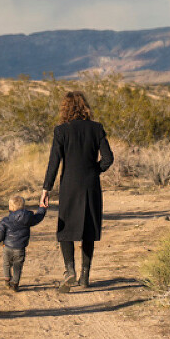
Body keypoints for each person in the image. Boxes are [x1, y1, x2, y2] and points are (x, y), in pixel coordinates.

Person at [43, 90, 114, 292]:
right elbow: (108, 159)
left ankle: (69, 271)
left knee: (66, 229)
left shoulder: (61, 131)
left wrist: (46, 188)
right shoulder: (97, 128)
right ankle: (85, 277)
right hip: (91, 184)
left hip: (69, 185)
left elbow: (54, 162)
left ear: (65, 108)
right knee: (89, 229)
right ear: (85, 107)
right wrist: (94, 171)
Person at [0, 190, 49, 292]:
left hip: (7, 247)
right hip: (20, 248)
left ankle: (7, 279)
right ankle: (15, 283)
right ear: (23, 207)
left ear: (10, 208)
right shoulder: (28, 219)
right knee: (18, 266)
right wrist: (42, 208)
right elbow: (39, 217)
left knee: (6, 263)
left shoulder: (6, 220)